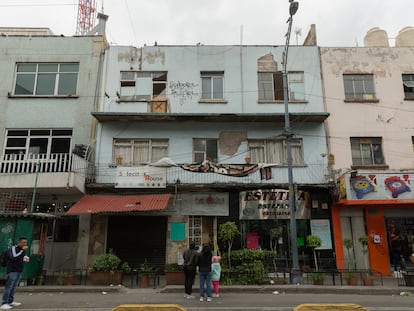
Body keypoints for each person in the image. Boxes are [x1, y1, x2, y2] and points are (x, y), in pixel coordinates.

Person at [1, 237, 30, 310]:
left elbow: (19, 258)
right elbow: (14, 257)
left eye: (26, 242)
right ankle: (4, 303)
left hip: (19, 270)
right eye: (23, 242)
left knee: (13, 287)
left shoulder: (22, 251)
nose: (25, 244)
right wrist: (22, 251)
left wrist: (25, 259)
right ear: (19, 242)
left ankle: (10, 301)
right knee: (9, 286)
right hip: (12, 270)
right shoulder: (13, 248)